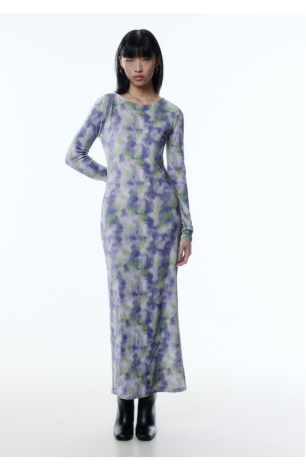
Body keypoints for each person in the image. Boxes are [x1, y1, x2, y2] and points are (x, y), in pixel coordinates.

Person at [65, 29, 194, 441]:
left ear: (157, 61)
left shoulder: (171, 114)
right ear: (120, 62)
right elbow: (74, 154)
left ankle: (149, 401)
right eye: (129, 58)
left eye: (145, 57)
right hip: (120, 222)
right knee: (124, 308)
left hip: (161, 220)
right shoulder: (107, 105)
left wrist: (187, 228)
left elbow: (178, 173)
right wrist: (114, 177)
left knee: (157, 308)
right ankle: (124, 400)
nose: (137, 67)